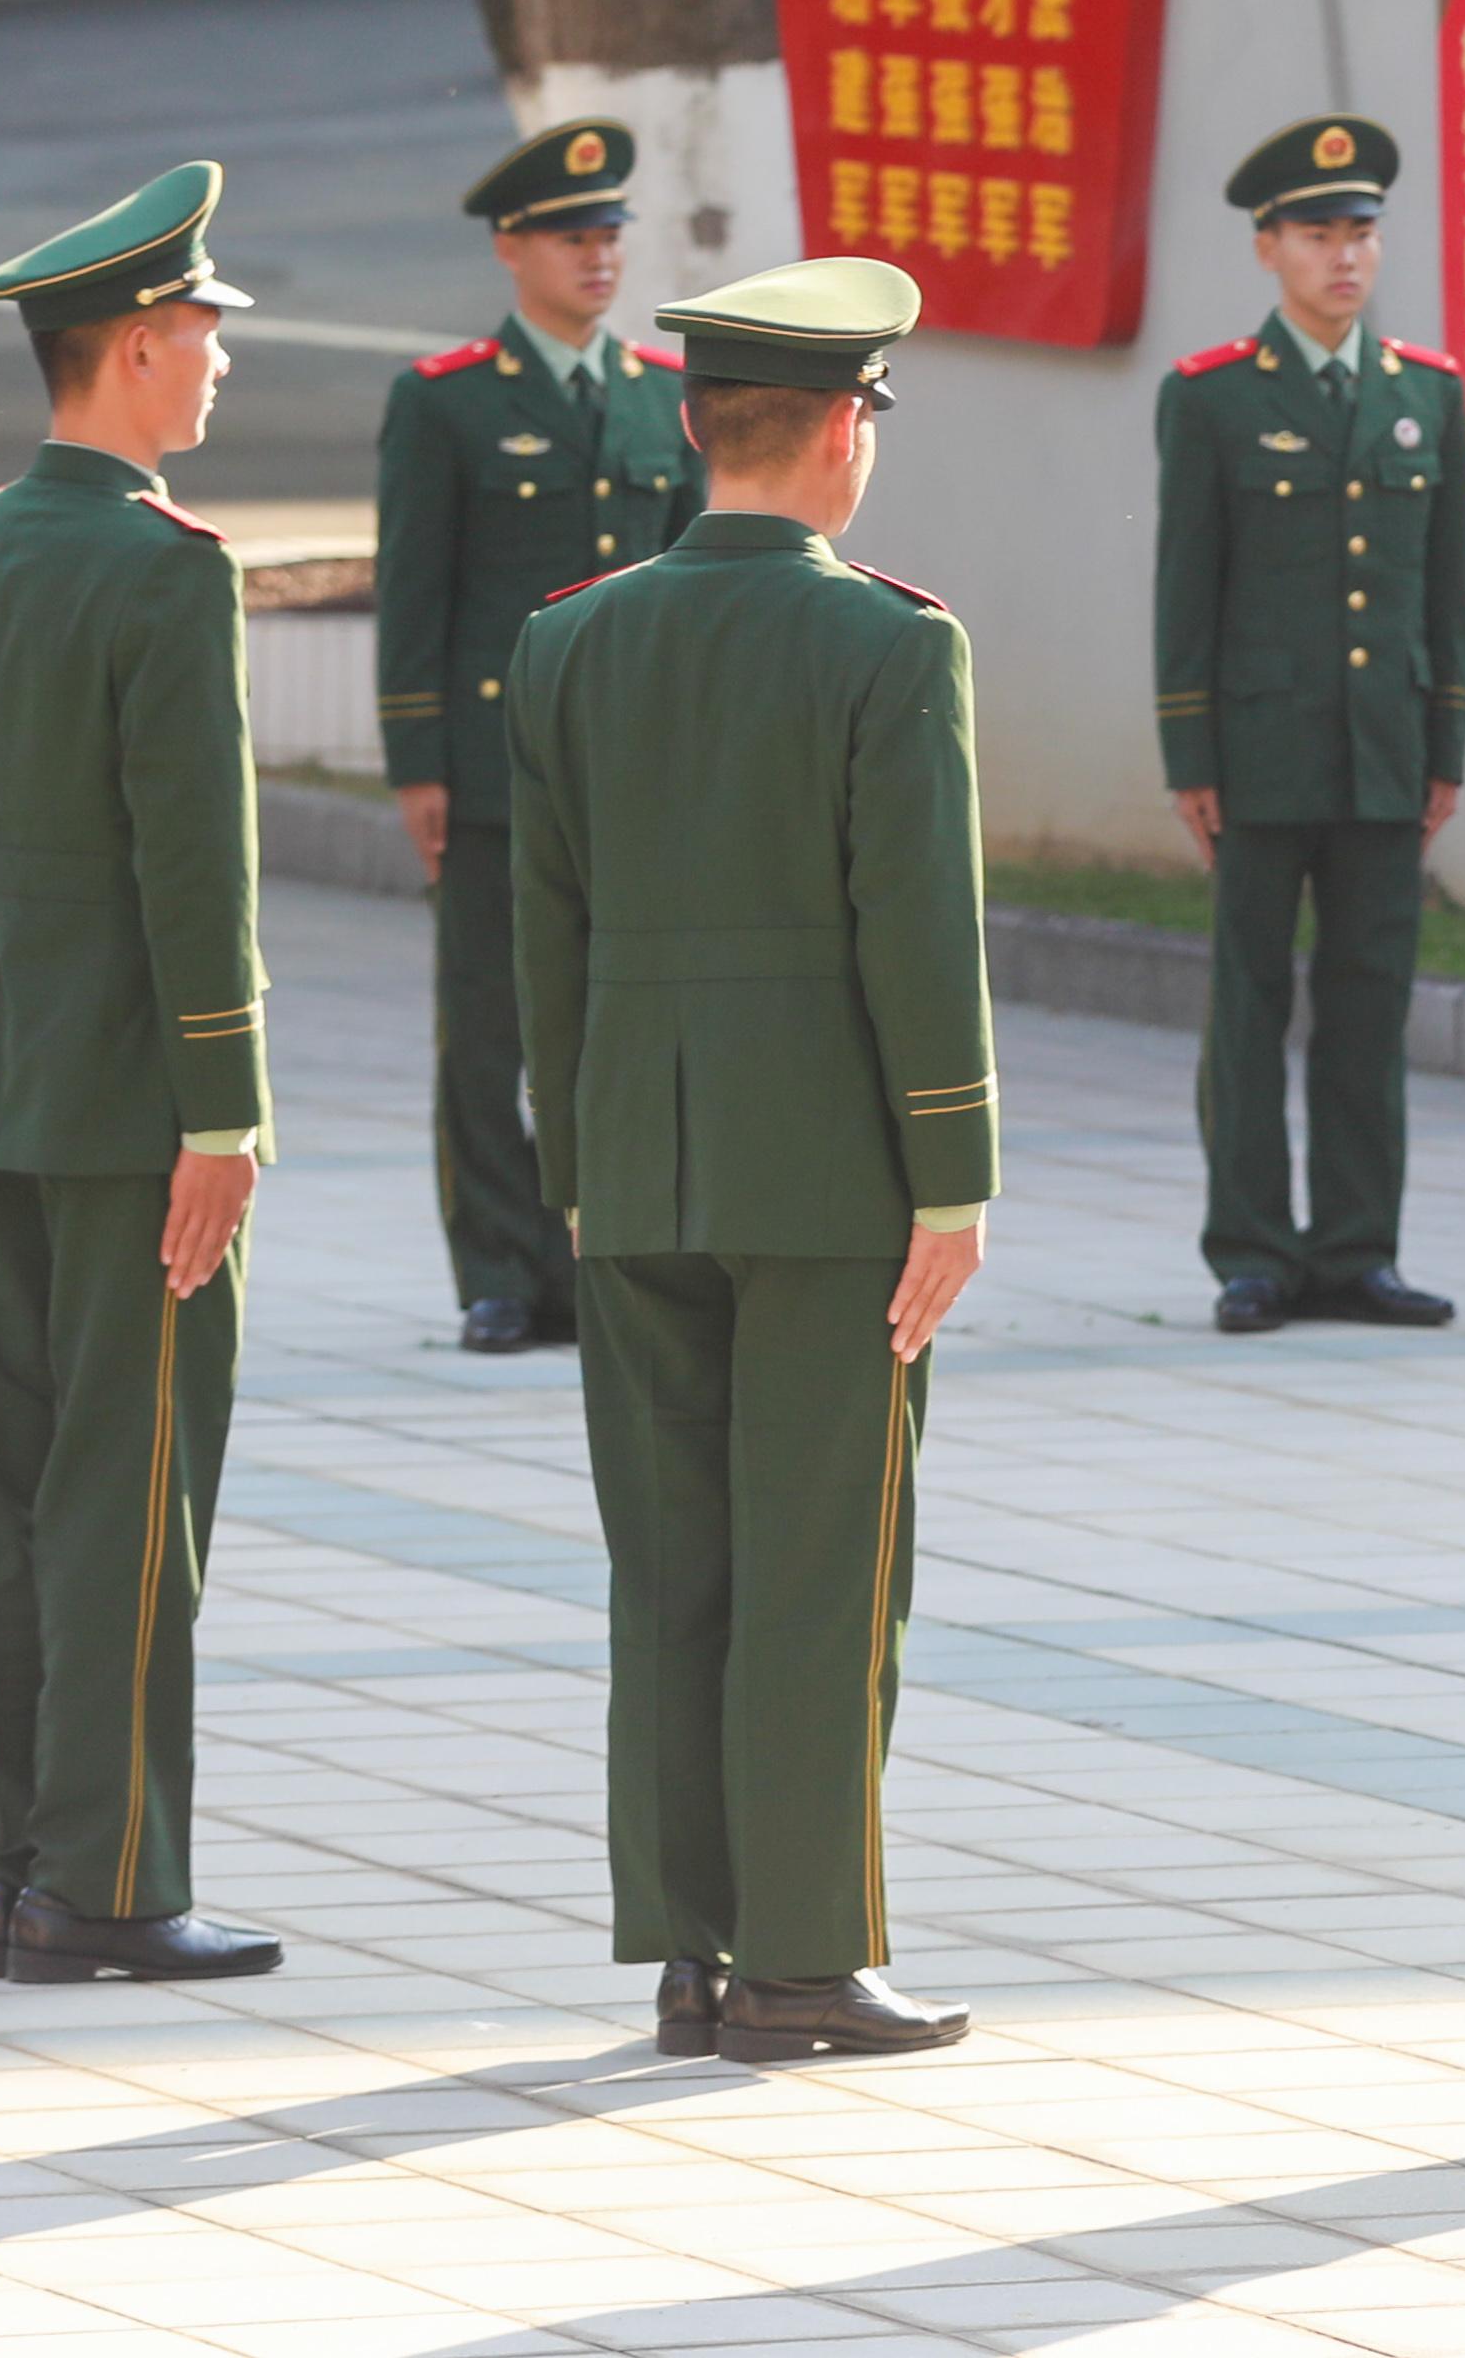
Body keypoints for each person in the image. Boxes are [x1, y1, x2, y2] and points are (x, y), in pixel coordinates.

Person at [513, 254, 995, 2065]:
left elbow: (541, 931)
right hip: (826, 1173)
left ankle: (690, 1947)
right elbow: (916, 931)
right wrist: (952, 1175)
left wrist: (575, 1154)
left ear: (695, 423)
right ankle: (801, 1955)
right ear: (843, 427)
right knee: (818, 1564)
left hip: (635, 1156)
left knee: (672, 1565)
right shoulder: (891, 640)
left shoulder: (569, 637)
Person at [0, 164, 280, 1982]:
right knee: (131, 1488)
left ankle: (12, 1863)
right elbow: (192, 866)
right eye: (204, 332)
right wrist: (223, 1106)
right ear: (137, 344)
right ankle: (112, 1881)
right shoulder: (163, 564)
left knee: (16, 1475)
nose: (220, 362)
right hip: (130, 1089)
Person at [374, 113, 697, 1353]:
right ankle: (499, 1272)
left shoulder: (662, 395)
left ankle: (601, 1258)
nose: (598, 255)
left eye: (609, 233)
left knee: (622, 1026)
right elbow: (415, 589)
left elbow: (691, 587)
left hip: (633, 776)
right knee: (489, 1027)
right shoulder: (445, 401)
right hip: (496, 768)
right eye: (571, 237)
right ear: (511, 247)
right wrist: (417, 762)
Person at [1150, 115, 1465, 1337]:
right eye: (1317, 235)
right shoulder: (1214, 397)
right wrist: (1190, 752)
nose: (1344, 257)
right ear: (1267, 247)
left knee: (1367, 1005)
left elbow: (1445, 593)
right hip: (1258, 751)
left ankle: (1355, 1249)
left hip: (1384, 750)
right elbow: (1186, 590)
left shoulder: (1426, 393)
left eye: (1360, 235)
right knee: (1247, 1006)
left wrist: (1445, 746)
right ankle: (1251, 1251)